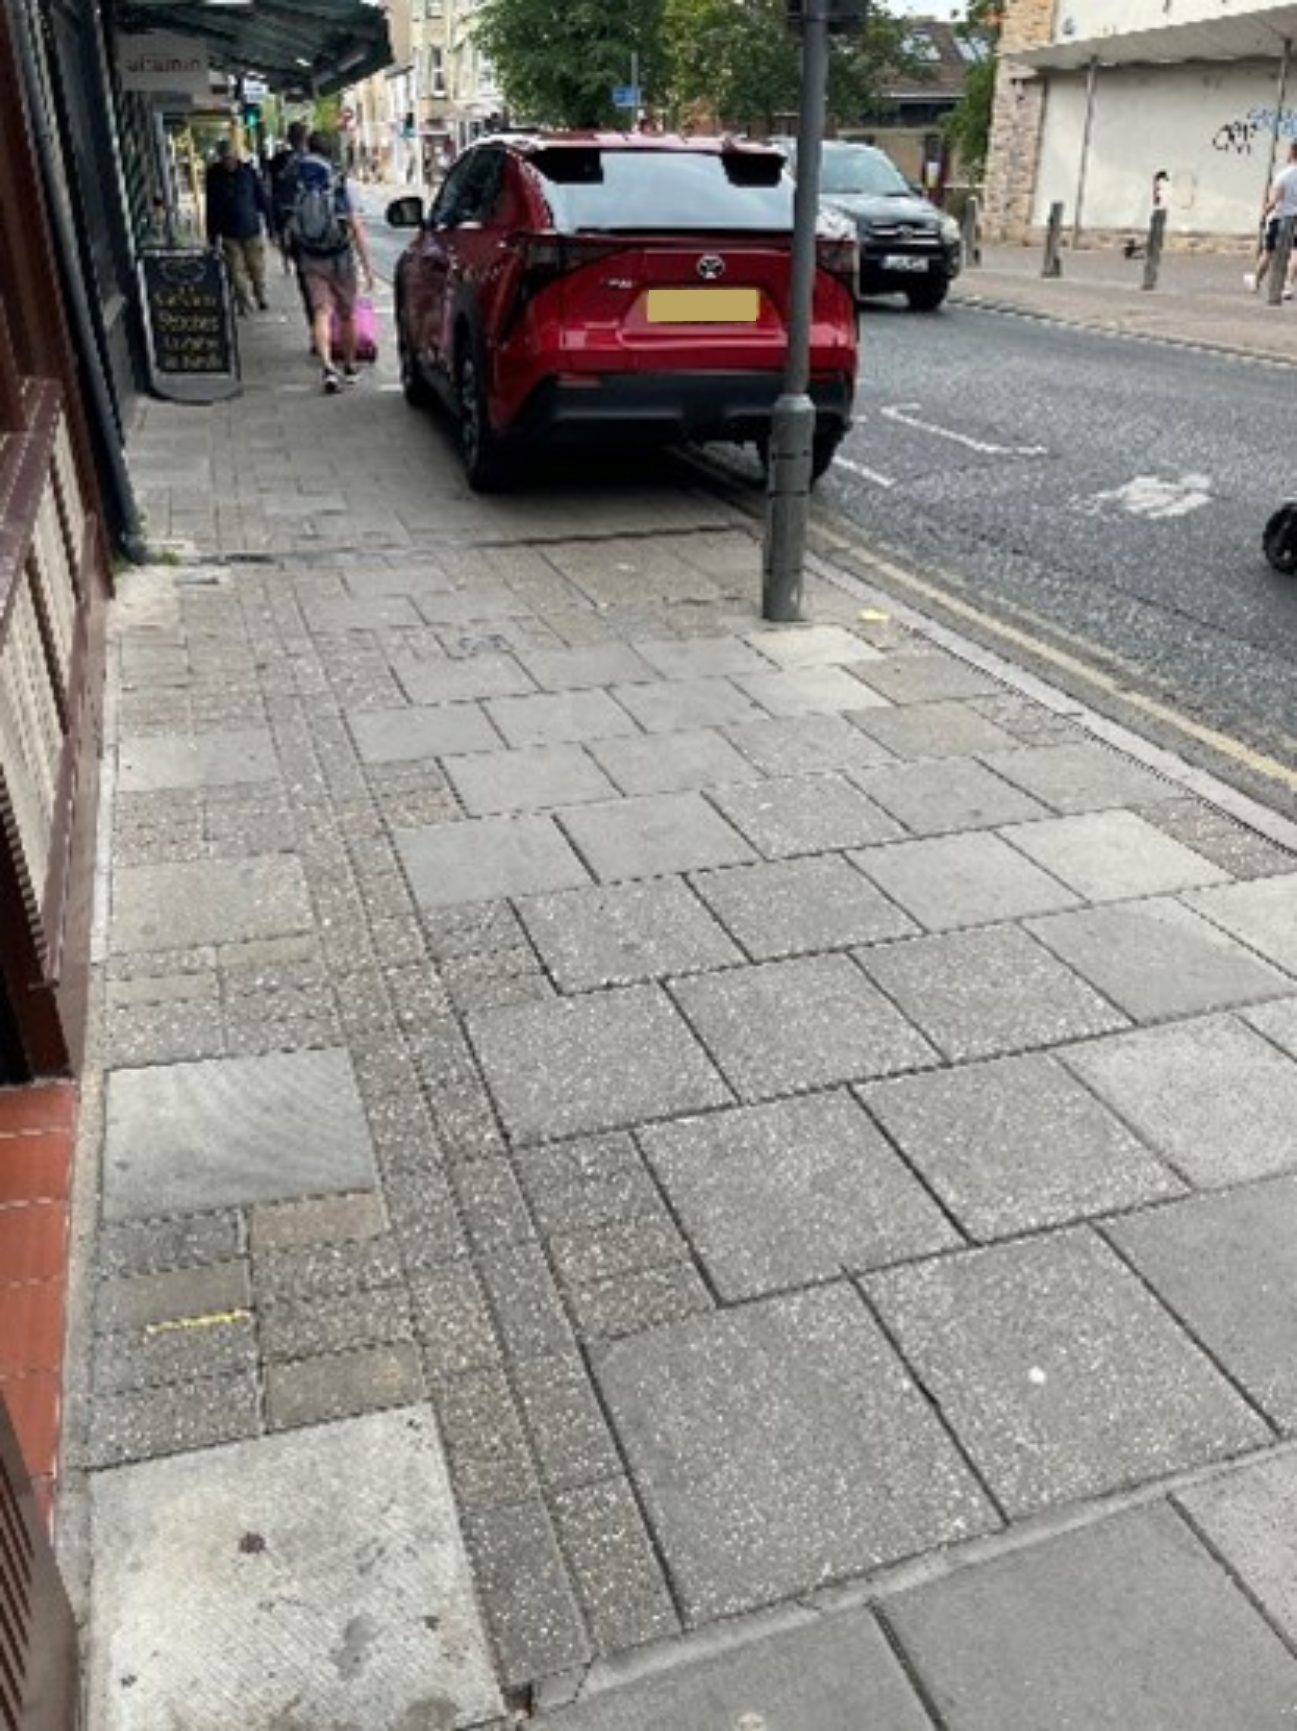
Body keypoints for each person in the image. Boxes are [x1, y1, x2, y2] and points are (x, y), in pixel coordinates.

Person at [291, 129, 376, 394]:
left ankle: (328, 367)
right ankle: (349, 365)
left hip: (310, 254)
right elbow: (355, 225)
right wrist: (367, 266)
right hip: (339, 255)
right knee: (347, 313)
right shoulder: (338, 181)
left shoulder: (298, 178)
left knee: (321, 312)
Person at [204, 137, 271, 314]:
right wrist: (211, 235)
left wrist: (271, 225)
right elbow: (211, 205)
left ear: (236, 156)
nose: (229, 162)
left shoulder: (248, 172)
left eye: (231, 158)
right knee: (235, 271)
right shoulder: (213, 175)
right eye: (225, 158)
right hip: (228, 232)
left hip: (250, 229)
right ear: (220, 158)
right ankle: (244, 302)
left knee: (256, 267)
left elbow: (261, 198)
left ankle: (260, 295)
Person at [1245, 139, 1297, 298]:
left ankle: (1257, 281)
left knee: (1269, 251)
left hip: (1281, 217)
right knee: (1295, 251)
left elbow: (1276, 199)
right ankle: (1288, 284)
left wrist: (1264, 213)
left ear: (1293, 152)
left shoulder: (1284, 175)